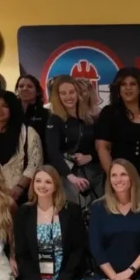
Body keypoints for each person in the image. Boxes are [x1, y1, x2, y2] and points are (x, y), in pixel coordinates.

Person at [14, 166, 88, 280]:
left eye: (48, 181)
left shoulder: (72, 211)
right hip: (36, 278)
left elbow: (78, 251)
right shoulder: (24, 212)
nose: (42, 185)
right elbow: (22, 254)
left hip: (64, 277)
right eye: (38, 181)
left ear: (56, 185)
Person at [0, 91, 44, 204]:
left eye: (5, 106)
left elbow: (35, 164)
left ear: (13, 109)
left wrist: (19, 187)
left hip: (23, 198)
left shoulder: (28, 133)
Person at [45, 75, 105, 207]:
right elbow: (53, 151)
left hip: (95, 175)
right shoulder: (55, 119)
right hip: (69, 177)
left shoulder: (90, 117)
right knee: (74, 216)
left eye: (72, 92)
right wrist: (71, 177)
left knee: (98, 212)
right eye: (63, 93)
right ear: (57, 96)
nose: (68, 97)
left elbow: (103, 145)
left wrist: (90, 157)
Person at [95, 68, 140, 176]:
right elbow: (102, 147)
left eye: (132, 84)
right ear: (118, 88)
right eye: (123, 84)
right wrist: (112, 176)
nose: (128, 88)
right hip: (121, 177)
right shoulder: (109, 113)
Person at [16, 74, 50, 154]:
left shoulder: (46, 114)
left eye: (30, 86)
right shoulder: (10, 113)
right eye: (21, 86)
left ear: (37, 92)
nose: (25, 89)